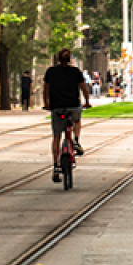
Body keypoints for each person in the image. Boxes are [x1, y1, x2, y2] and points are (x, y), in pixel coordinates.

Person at [42, 48, 91, 182]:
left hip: (57, 107)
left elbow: (45, 89)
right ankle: (75, 140)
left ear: (57, 59)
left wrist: (46, 104)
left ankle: (56, 165)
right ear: (70, 59)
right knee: (77, 120)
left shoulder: (51, 72)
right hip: (73, 105)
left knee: (56, 136)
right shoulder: (75, 72)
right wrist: (87, 101)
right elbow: (83, 88)